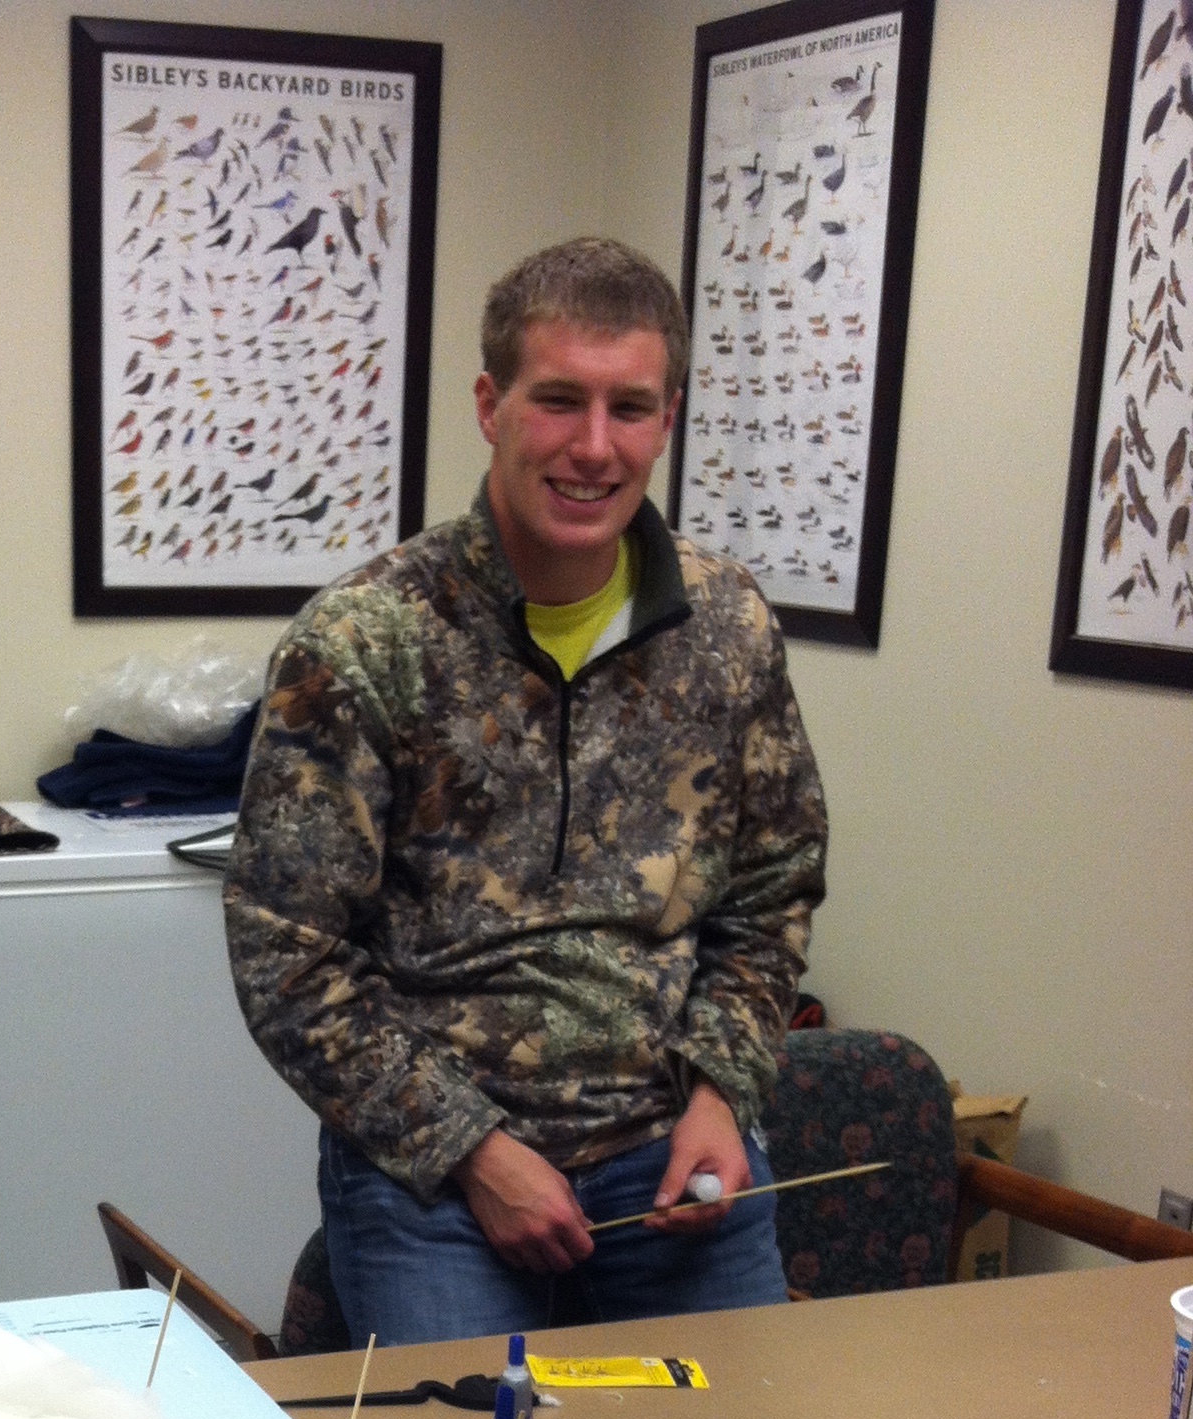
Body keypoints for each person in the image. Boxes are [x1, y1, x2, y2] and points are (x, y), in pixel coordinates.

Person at [223, 238, 828, 1345]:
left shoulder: (726, 623)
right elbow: (287, 956)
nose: (593, 447)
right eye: (558, 402)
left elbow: (772, 890)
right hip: (442, 1181)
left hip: (670, 1166)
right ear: (491, 404)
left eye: (629, 408)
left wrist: (718, 1094)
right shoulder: (367, 640)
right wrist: (474, 1152)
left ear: (668, 416)